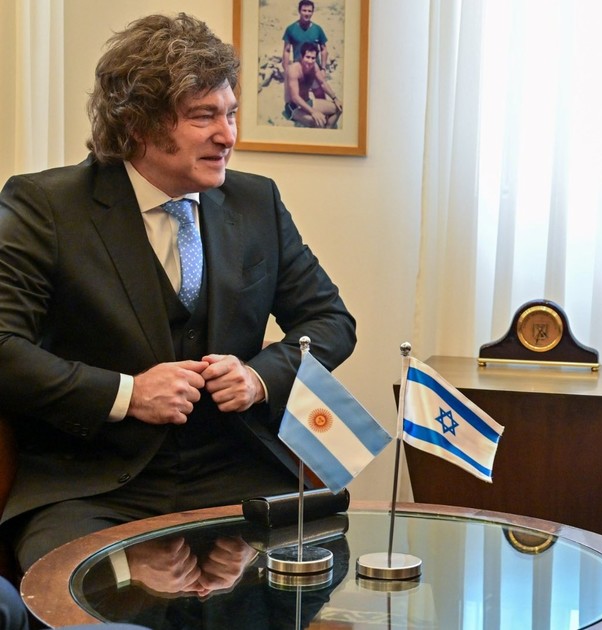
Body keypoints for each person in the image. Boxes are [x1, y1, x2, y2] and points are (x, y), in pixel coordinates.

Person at [0, 13, 355, 574]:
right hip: (93, 488)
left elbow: (331, 321)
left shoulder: (256, 203)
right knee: (82, 594)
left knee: (310, 578)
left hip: (240, 473)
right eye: (203, 116)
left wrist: (258, 377)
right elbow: (5, 350)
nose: (228, 135)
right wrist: (128, 393)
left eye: (230, 113)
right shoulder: (44, 208)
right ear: (137, 124)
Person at [283, 42, 342, 129]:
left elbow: (322, 83)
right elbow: (295, 97)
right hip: (294, 107)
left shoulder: (314, 67)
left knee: (339, 108)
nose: (310, 61)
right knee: (318, 122)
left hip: (307, 102)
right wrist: (313, 112)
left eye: (313, 58)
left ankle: (328, 130)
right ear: (302, 56)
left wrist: (335, 98)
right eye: (307, 57)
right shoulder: (293, 69)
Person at [281, 0, 328, 75]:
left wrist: (323, 69)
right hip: (298, 69)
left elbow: (324, 49)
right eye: (304, 10)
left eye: (309, 11)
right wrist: (286, 70)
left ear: (312, 12)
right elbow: (287, 50)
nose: (307, 14)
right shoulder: (291, 29)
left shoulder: (317, 29)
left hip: (314, 69)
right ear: (299, 11)